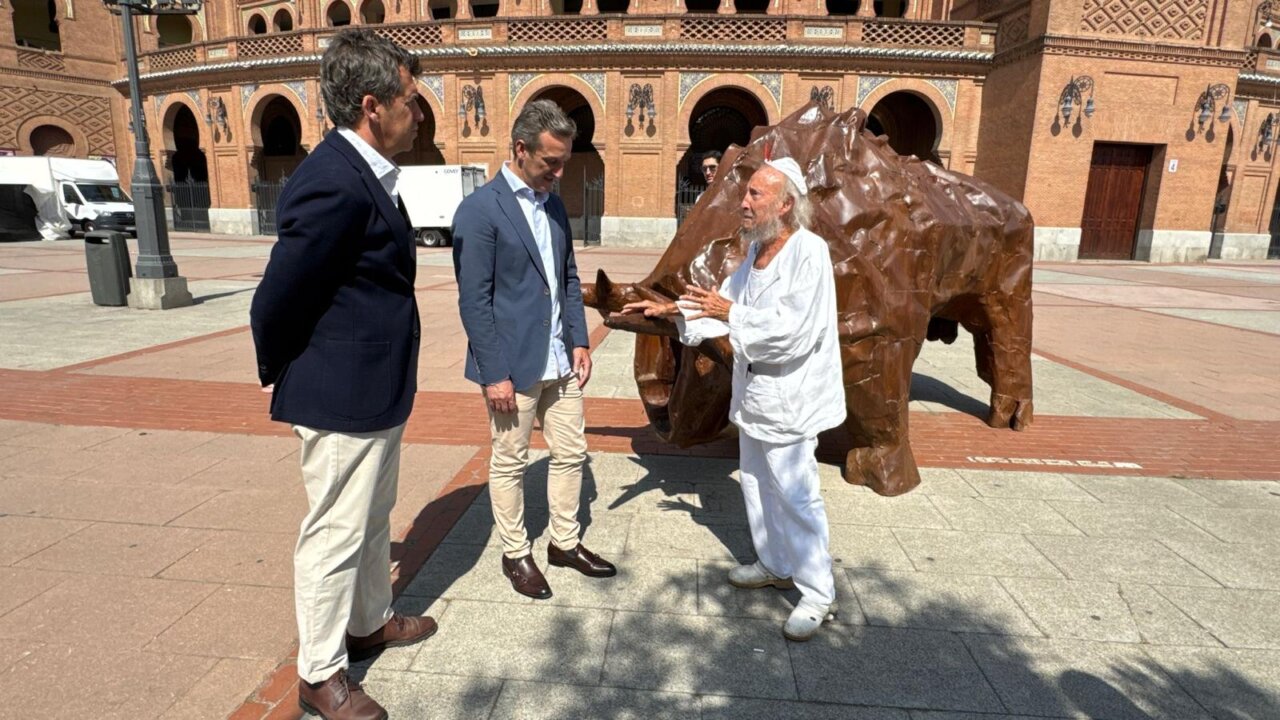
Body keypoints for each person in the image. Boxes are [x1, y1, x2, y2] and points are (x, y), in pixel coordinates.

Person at [249, 28, 434, 720]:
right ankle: (320, 673)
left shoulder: (365, 172)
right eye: (409, 102)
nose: (419, 114)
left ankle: (368, 623)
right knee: (334, 533)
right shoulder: (332, 179)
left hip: (375, 390)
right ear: (370, 105)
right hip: (342, 394)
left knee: (372, 518)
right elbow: (279, 294)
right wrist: (281, 367)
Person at [621, 157, 845, 641]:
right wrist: (668, 310)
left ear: (785, 205)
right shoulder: (753, 257)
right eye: (746, 195)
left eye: (755, 196)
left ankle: (818, 592)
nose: (743, 203)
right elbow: (715, 308)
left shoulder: (809, 252)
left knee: (797, 495)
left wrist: (731, 312)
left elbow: (793, 333)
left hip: (790, 398)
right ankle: (774, 562)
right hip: (756, 394)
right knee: (756, 482)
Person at [452, 99, 617, 601]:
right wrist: (493, 372)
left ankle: (563, 543)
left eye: (564, 160)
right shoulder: (480, 210)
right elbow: (473, 300)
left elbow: (566, 278)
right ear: (521, 150)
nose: (560, 172)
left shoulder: (554, 205)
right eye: (551, 162)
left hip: (561, 361)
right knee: (510, 459)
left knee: (571, 452)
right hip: (512, 366)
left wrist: (580, 338)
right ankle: (516, 552)